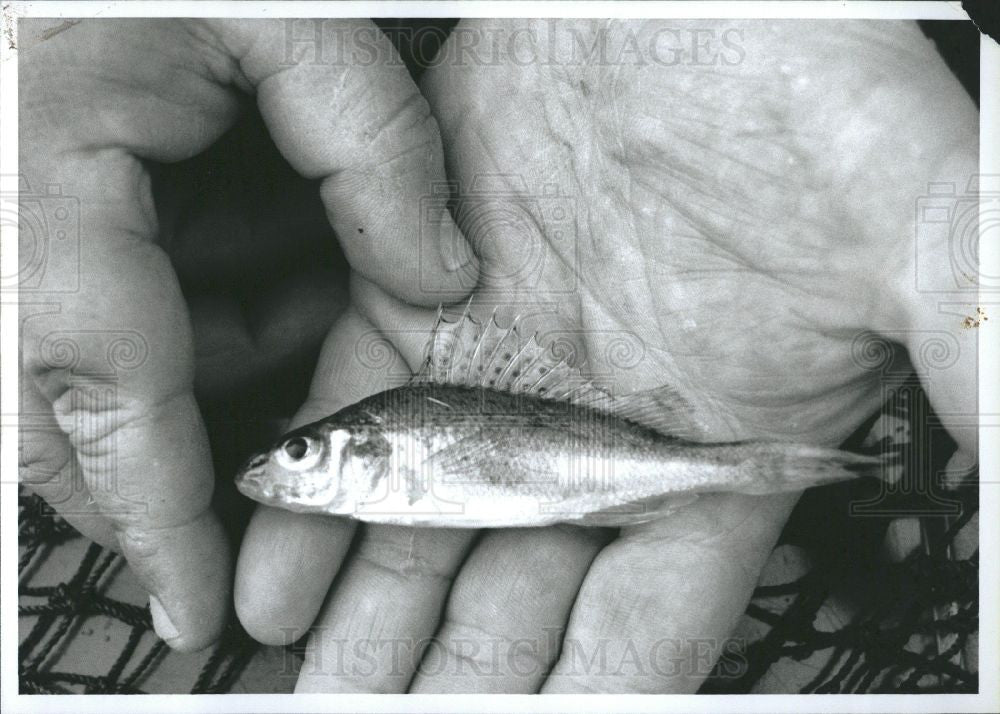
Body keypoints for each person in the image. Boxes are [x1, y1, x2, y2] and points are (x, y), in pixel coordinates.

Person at [18, 18, 978, 693]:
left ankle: (829, 508)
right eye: (300, 454)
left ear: (360, 449)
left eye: (306, 453)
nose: (290, 462)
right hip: (245, 228)